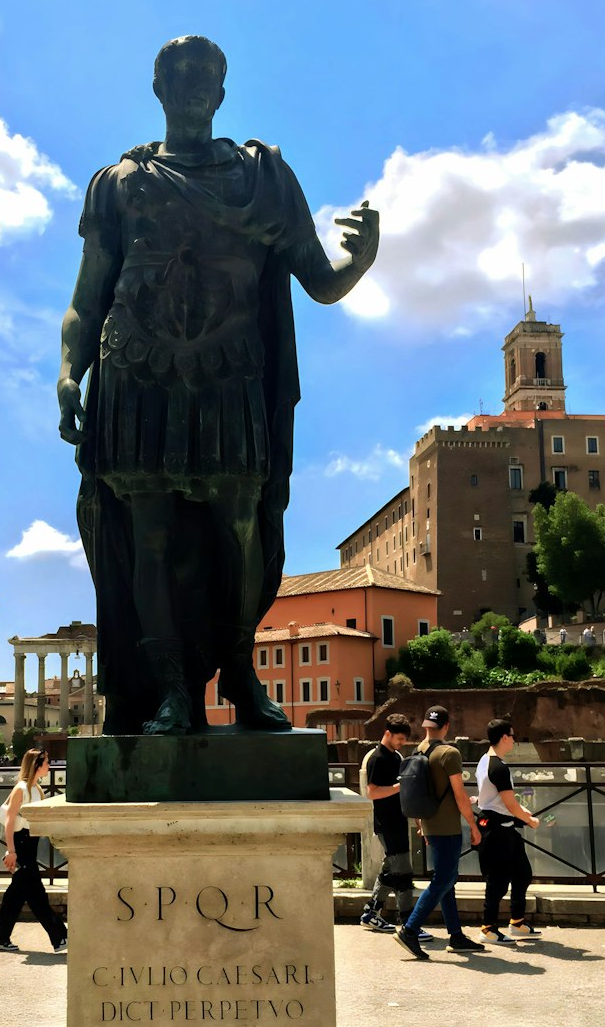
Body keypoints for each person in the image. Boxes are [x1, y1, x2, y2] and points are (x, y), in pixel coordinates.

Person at [56, 36, 379, 735]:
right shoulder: (117, 183)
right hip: (136, 376)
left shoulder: (261, 178)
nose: (194, 83)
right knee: (151, 540)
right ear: (159, 87)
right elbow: (88, 294)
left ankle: (240, 672)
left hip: (229, 375)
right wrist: (67, 371)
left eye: (207, 73)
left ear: (223, 92)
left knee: (241, 531)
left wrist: (360, 260)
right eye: (181, 72)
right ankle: (171, 690)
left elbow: (319, 280)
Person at [394, 706, 483, 959]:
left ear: (425, 727)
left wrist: (420, 823)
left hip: (429, 824)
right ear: (446, 727)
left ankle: (455, 935)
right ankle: (410, 930)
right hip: (447, 827)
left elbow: (418, 789)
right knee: (443, 880)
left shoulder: (418, 751)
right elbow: (460, 795)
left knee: (447, 880)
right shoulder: (449, 753)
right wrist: (474, 826)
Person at [359, 713, 431, 942]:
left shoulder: (395, 755)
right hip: (387, 822)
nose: (401, 743)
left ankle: (371, 912)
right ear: (388, 733)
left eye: (403, 740)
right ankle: (410, 923)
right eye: (399, 738)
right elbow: (372, 791)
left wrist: (417, 818)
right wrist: (400, 787)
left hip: (397, 820)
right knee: (403, 872)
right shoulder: (377, 758)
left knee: (391, 869)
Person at [0, 748, 68, 953]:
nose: (49, 766)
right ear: (36, 765)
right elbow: (9, 822)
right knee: (36, 894)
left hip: (29, 843)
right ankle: (60, 937)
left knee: (16, 896)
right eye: (46, 762)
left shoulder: (36, 789)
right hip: (21, 844)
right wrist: (11, 851)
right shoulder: (21, 789)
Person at [474, 719, 541, 944]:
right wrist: (529, 820)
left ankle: (517, 922)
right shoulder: (498, 767)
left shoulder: (485, 760)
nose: (514, 739)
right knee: (498, 881)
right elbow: (510, 804)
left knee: (522, 874)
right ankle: (488, 928)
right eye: (512, 735)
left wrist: (524, 814)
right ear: (504, 737)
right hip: (496, 830)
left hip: (504, 827)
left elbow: (499, 800)